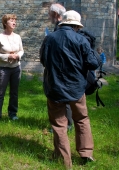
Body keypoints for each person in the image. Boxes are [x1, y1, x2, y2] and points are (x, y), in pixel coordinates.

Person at [40, 10, 102, 169]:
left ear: (62, 23)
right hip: (76, 88)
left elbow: (43, 60)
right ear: (76, 25)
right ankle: (86, 153)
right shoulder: (81, 40)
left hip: (55, 87)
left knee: (59, 124)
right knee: (82, 119)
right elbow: (94, 63)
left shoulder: (49, 39)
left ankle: (64, 161)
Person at [40, 3, 73, 132]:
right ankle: (66, 124)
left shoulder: (62, 28)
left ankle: (62, 126)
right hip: (63, 69)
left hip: (61, 69)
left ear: (55, 14)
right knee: (65, 97)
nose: (48, 16)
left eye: (49, 13)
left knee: (59, 98)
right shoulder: (61, 27)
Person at [0, 14, 24, 122]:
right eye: (11, 21)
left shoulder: (17, 36)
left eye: (15, 20)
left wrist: (18, 56)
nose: (14, 23)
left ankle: (13, 113)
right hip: (4, 68)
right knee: (0, 92)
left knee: (14, 92)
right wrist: (7, 56)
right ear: (5, 23)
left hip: (16, 68)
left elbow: (21, 50)